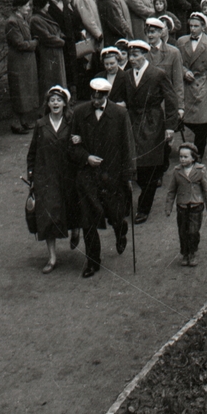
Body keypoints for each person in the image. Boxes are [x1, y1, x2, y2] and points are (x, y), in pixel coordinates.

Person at [69, 77, 135, 278]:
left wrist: (128, 175)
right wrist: (86, 157)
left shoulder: (120, 113)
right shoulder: (79, 113)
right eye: (92, 97)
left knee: (114, 212)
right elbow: (72, 145)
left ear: (106, 96)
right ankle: (93, 261)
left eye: (99, 98)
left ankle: (120, 228)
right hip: (87, 175)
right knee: (88, 218)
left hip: (112, 174)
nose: (95, 101)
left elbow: (127, 145)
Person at [112, 39, 178, 224]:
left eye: (136, 55)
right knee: (133, 163)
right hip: (131, 121)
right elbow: (117, 97)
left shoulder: (158, 74)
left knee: (150, 164)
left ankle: (144, 206)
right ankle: (134, 200)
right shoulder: (124, 76)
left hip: (152, 121)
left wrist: (170, 127)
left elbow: (171, 100)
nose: (132, 59)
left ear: (145, 54)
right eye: (130, 55)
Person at [26, 85, 80, 273]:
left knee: (71, 208)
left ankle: (75, 230)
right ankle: (52, 257)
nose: (55, 103)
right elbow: (32, 152)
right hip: (46, 175)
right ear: (47, 104)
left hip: (68, 175)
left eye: (59, 100)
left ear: (65, 103)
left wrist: (78, 141)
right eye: (52, 100)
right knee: (47, 215)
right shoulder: (41, 125)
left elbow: (80, 145)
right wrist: (32, 174)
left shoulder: (71, 122)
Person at [176, 14, 207, 161]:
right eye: (191, 26)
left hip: (203, 85)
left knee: (202, 123)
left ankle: (198, 156)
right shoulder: (181, 41)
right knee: (186, 119)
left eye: (196, 26)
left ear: (203, 27)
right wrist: (184, 72)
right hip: (187, 85)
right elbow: (178, 64)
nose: (193, 29)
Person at [163, 142, 207, 266]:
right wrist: (168, 208)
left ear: (193, 157)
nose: (182, 159)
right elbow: (171, 191)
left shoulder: (200, 170)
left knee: (193, 231)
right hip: (182, 206)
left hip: (196, 205)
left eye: (185, 157)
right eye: (180, 156)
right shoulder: (177, 171)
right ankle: (185, 254)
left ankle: (192, 252)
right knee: (182, 231)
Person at [5, 0, 38, 134]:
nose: (29, 8)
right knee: (19, 92)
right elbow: (19, 43)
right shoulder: (12, 22)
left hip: (26, 61)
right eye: (26, 6)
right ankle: (16, 123)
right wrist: (34, 43)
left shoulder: (21, 19)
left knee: (25, 91)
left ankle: (23, 120)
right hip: (18, 62)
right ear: (18, 7)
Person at [31, 0, 67, 105]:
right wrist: (61, 41)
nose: (48, 5)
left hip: (54, 52)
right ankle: (48, 106)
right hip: (48, 53)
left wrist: (60, 36)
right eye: (46, 3)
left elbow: (54, 30)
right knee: (51, 80)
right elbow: (46, 37)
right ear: (41, 5)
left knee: (56, 79)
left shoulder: (44, 16)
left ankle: (59, 103)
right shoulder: (36, 19)